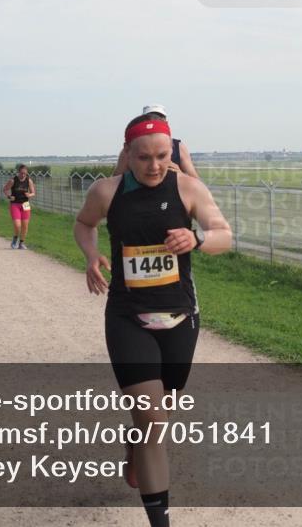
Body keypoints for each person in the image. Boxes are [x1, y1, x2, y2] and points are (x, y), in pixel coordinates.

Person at [75, 115, 231, 527]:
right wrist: (92, 257)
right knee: (152, 420)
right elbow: (84, 224)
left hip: (181, 317)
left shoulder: (188, 188)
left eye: (162, 156)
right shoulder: (107, 192)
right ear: (127, 154)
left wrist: (197, 238)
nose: (154, 165)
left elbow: (224, 234)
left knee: (157, 423)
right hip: (127, 317)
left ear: (172, 153)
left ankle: (134, 445)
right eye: (144, 157)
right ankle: (160, 520)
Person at [112, 105, 199, 179]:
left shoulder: (178, 147)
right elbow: (116, 182)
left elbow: (196, 181)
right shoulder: (131, 148)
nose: (155, 121)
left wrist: (180, 175)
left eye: (162, 156)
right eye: (143, 157)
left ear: (166, 122)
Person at [3, 164, 36, 249]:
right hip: (15, 204)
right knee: (18, 225)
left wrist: (29, 195)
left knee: (25, 225)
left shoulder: (29, 181)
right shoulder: (13, 180)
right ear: (18, 172)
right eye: (21, 173)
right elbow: (5, 189)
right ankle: (15, 239)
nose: (23, 175)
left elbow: (33, 193)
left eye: (25, 173)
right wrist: (9, 196)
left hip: (25, 204)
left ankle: (21, 243)